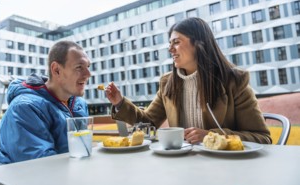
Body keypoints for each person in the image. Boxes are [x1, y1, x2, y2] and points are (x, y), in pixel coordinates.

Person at [106, 17, 272, 144]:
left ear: (199, 44)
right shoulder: (168, 82)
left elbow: (261, 137)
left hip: (226, 169)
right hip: (183, 165)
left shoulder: (234, 80)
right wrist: (120, 103)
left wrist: (212, 136)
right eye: (170, 44)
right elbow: (148, 123)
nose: (170, 49)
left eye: (176, 42)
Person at [0, 40, 91, 163]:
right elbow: (41, 165)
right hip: (22, 180)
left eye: (88, 67)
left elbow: (82, 153)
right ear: (56, 70)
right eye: (79, 67)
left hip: (67, 176)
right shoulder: (24, 108)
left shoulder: (79, 104)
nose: (88, 74)